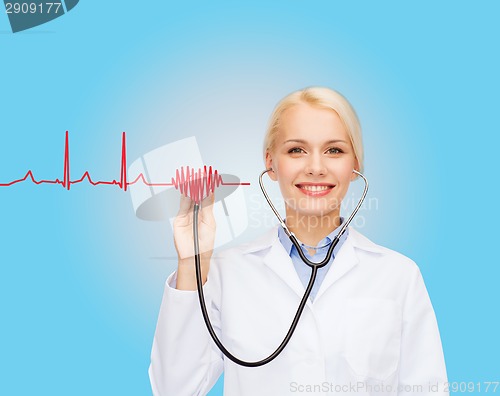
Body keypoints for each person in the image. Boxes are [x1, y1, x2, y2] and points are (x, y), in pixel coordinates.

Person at [149, 87, 448, 395]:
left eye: (334, 150)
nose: (316, 167)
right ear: (271, 164)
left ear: (355, 165)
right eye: (296, 150)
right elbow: (173, 388)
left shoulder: (398, 275)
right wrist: (191, 264)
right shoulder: (227, 273)